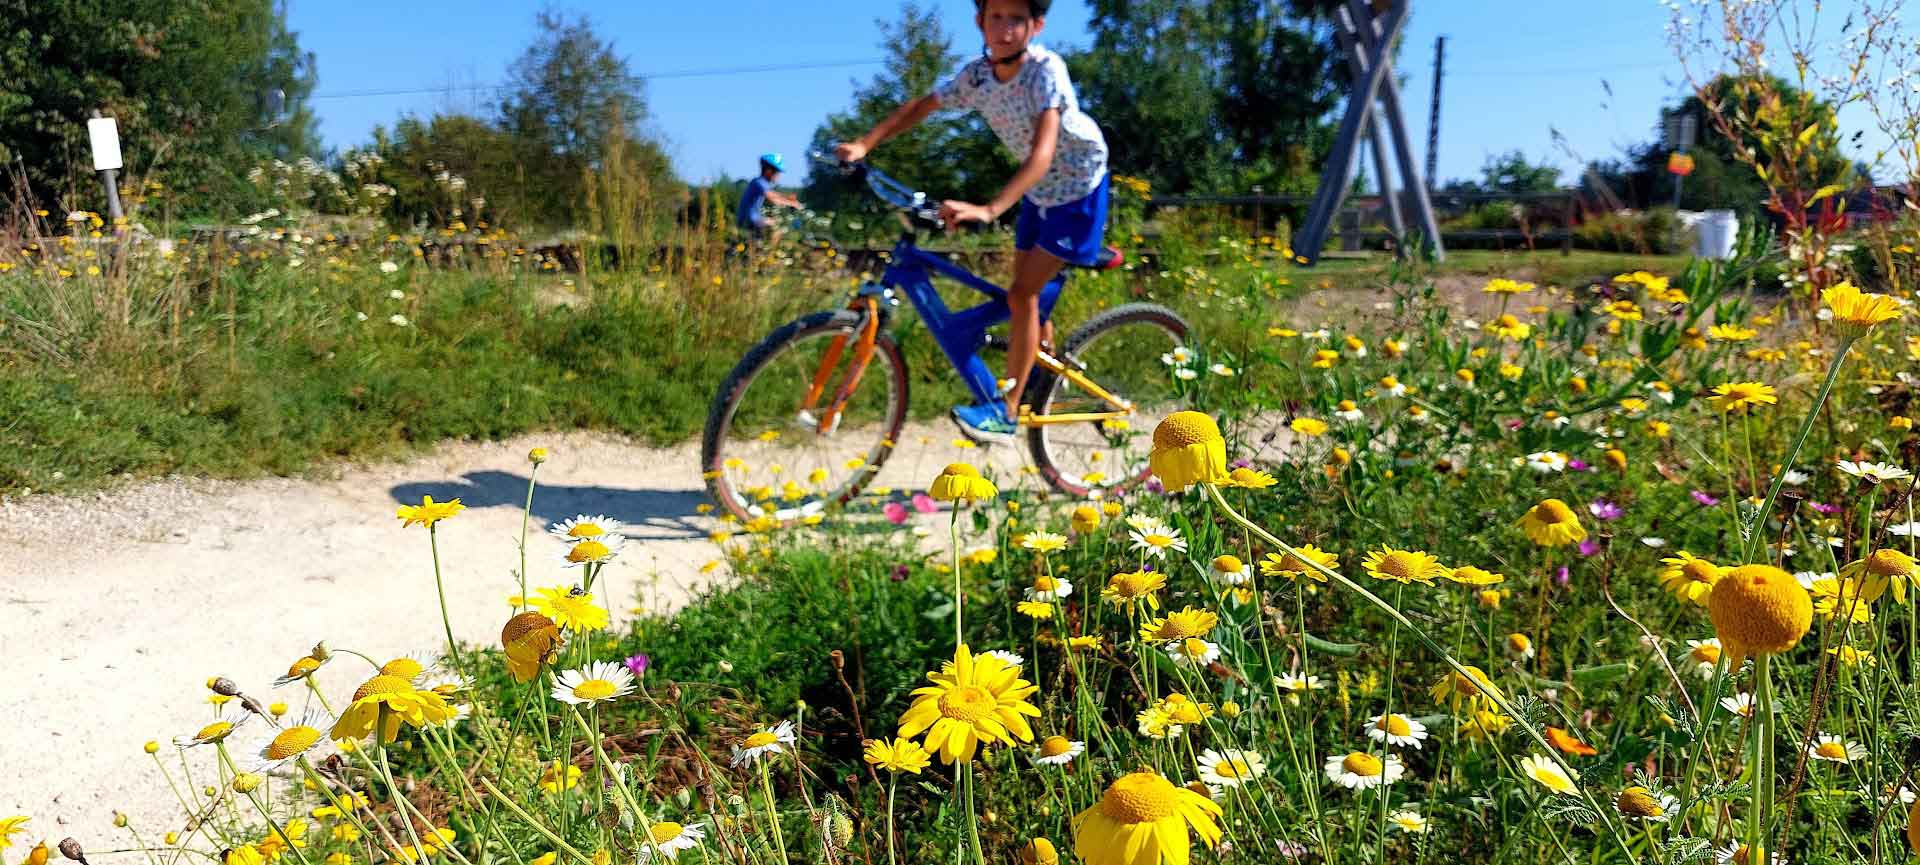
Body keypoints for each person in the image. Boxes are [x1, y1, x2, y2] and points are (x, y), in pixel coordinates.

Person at [835, 0, 1108, 445]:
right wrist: (865, 144)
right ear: (979, 21)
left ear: (1036, 26)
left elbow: (1042, 153)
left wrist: (990, 208)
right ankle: (1043, 377)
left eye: (1016, 20)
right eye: (995, 16)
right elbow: (923, 106)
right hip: (1039, 194)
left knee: (1022, 294)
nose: (1004, 29)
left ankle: (1007, 411)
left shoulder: (1045, 71)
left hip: (1078, 188)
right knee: (1026, 298)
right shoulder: (977, 76)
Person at [736, 152, 802, 242]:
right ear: (768, 171)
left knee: (770, 229)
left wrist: (787, 198)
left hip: (751, 219)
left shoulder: (761, 183)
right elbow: (772, 198)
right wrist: (792, 203)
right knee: (776, 226)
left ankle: (762, 250)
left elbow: (773, 193)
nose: (778, 176)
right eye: (777, 172)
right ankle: (768, 253)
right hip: (749, 220)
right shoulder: (759, 182)